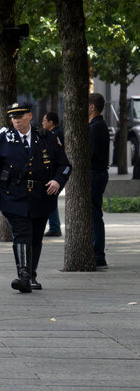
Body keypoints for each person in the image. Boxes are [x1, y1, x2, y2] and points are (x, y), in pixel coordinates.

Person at [0, 102, 71, 293]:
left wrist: (57, 181)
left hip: (41, 196)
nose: (16, 120)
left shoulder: (47, 137)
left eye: (20, 116)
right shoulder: (4, 139)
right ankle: (24, 276)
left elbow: (64, 165)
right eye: (13, 117)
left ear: (30, 116)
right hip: (14, 196)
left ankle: (31, 275)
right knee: (22, 233)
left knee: (36, 237)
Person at [90, 94, 110, 268]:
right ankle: (96, 252)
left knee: (95, 214)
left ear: (92, 107)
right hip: (97, 173)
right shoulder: (97, 125)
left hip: (96, 174)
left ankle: (98, 255)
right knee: (94, 213)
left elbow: (90, 152)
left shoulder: (97, 126)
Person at [41, 112, 64, 237]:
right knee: (50, 197)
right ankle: (54, 226)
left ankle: (55, 227)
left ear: (50, 122)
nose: (42, 123)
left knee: (50, 197)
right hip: (54, 173)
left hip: (55, 173)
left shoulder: (55, 135)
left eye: (44, 121)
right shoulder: (55, 133)